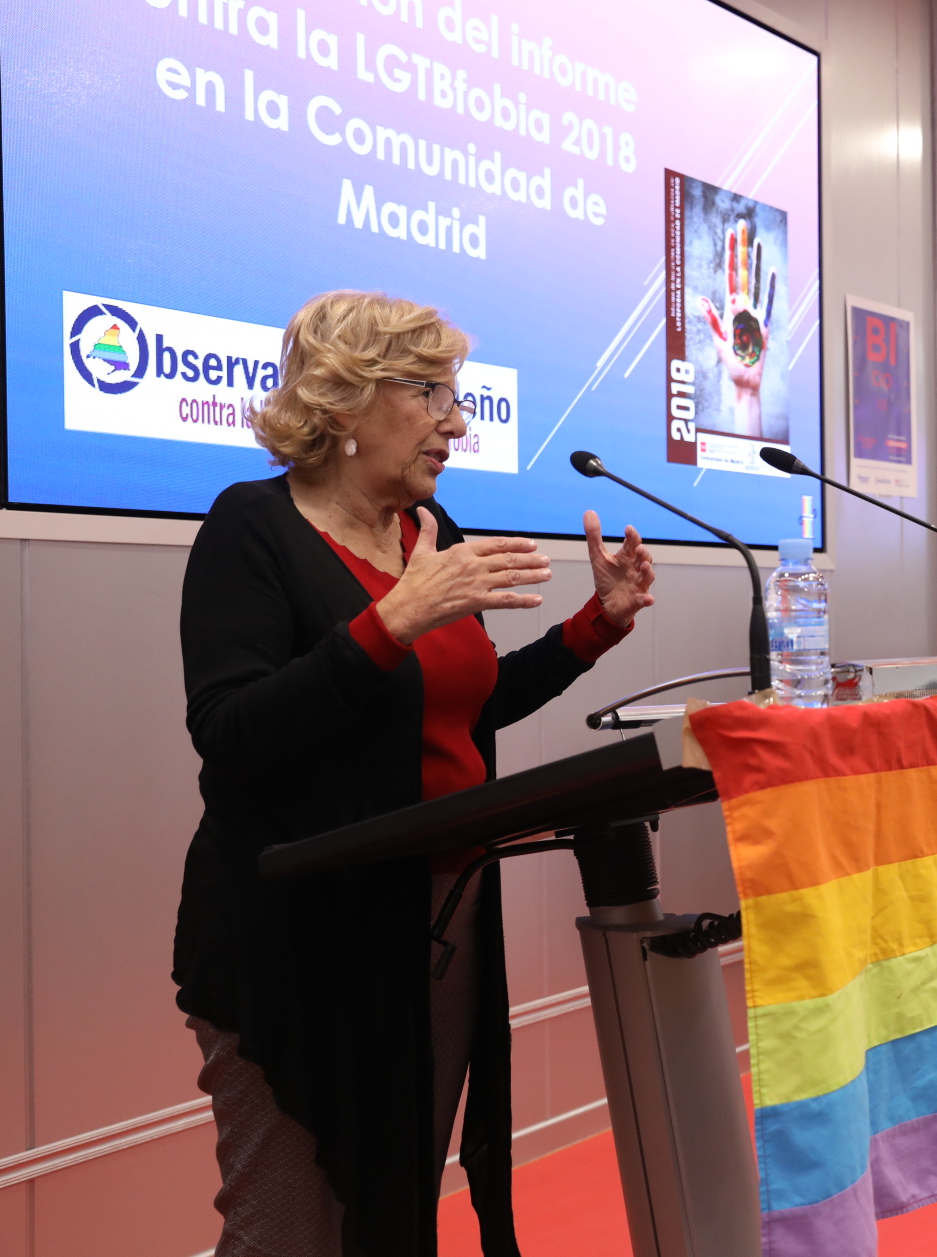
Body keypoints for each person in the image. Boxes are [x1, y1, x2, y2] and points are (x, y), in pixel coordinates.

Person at [172, 291, 657, 1257]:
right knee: (291, 1229)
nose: (457, 421)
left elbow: (459, 707)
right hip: (296, 938)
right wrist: (390, 621)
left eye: (458, 395)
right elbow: (231, 731)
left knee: (391, 1211)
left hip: (436, 922)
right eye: (432, 392)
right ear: (346, 398)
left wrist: (592, 629)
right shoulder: (253, 528)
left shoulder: (426, 531)